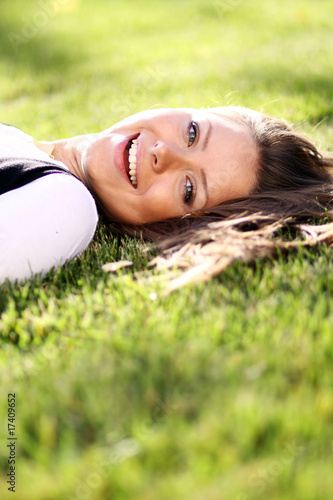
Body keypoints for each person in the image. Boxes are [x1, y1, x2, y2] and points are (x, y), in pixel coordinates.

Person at [1, 106, 332, 284]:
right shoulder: (19, 142)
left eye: (188, 189)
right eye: (192, 132)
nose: (164, 152)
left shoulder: (63, 208)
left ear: (171, 226)